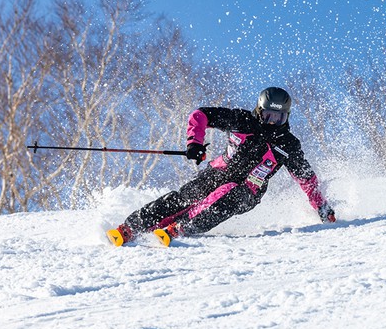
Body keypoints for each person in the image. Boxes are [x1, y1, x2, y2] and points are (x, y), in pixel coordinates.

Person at [107, 86, 336, 246]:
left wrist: (322, 207)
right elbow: (200, 115)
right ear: (259, 110)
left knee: (228, 196)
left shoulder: (288, 144)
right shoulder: (242, 120)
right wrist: (194, 143)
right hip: (219, 172)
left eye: (279, 118)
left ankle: (181, 227)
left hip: (249, 190)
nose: (272, 123)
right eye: (268, 116)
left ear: (286, 117)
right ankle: (131, 227)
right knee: (185, 197)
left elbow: (307, 179)